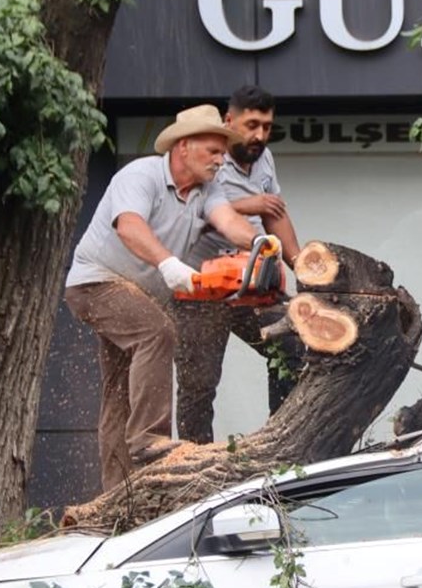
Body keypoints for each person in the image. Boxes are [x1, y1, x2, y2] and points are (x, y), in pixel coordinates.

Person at [64, 104, 263, 491]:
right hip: (96, 283)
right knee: (157, 332)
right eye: (213, 151)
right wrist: (169, 263)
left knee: (120, 393)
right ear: (184, 146)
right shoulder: (140, 176)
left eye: (223, 152)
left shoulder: (208, 190)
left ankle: (118, 494)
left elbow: (228, 220)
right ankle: (150, 439)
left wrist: (258, 242)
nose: (221, 160)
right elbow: (129, 226)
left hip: (137, 293)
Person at [173, 85, 303, 444]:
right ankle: (194, 466)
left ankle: (281, 443)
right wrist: (251, 204)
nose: (259, 135)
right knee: (199, 386)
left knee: (294, 344)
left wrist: (303, 269)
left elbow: (274, 212)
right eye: (251, 125)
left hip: (251, 285)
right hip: (199, 289)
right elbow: (194, 207)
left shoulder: (265, 158)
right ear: (228, 121)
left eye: (266, 126)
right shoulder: (206, 156)